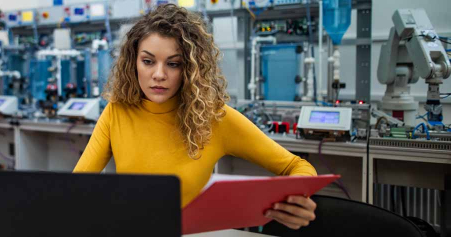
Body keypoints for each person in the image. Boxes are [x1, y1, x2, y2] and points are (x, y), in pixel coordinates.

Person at [74, 4, 317, 230]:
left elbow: (296, 166)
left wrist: (298, 199)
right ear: (133, 62)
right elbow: (75, 188)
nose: (159, 74)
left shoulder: (213, 117)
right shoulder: (117, 111)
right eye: (148, 61)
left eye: (174, 64)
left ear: (189, 69)